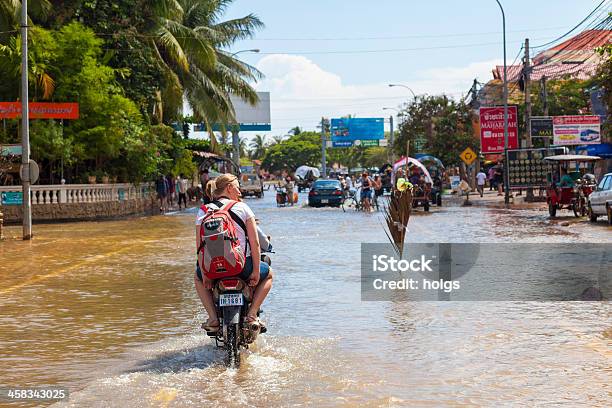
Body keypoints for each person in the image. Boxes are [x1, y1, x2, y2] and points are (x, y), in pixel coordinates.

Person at [195, 174, 273, 332]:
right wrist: (256, 271)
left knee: (197, 279)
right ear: (229, 188)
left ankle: (213, 318)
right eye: (237, 187)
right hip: (240, 267)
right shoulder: (242, 207)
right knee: (270, 274)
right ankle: (252, 314)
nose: (240, 191)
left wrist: (205, 275)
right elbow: (255, 242)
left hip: (213, 269)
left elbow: (199, 247)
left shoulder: (203, 211)